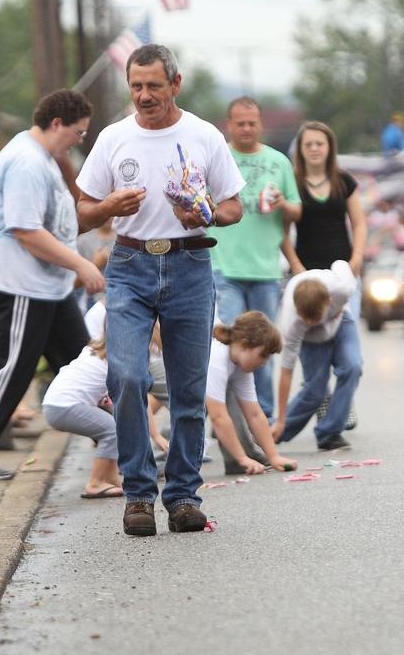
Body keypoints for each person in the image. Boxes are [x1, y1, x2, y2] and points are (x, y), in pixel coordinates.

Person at [75, 43, 245, 537]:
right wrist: (109, 206)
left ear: (175, 84)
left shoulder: (203, 135)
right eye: (136, 87)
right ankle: (138, 495)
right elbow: (83, 210)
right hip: (129, 262)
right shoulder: (113, 138)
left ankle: (184, 496)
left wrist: (206, 213)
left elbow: (234, 206)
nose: (144, 96)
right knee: (127, 377)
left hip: (189, 262)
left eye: (153, 86)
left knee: (189, 388)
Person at [0, 89, 104, 480]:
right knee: (12, 369)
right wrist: (81, 264)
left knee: (84, 362)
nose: (79, 140)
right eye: (78, 132)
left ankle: (123, 444)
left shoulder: (41, 159)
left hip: (46, 287)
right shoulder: (26, 162)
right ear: (57, 123)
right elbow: (25, 229)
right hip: (20, 282)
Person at [207, 96, 301, 419]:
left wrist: (282, 205)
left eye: (252, 123)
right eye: (240, 123)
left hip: (265, 270)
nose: (246, 128)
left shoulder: (278, 162)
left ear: (261, 124)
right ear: (228, 125)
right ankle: (225, 420)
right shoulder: (218, 158)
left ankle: (265, 417)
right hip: (223, 267)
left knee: (262, 348)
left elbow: (297, 208)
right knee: (229, 346)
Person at [283, 121, 366, 430]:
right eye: (309, 145)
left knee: (348, 350)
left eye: (320, 143)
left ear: (330, 148)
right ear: (300, 150)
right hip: (308, 281)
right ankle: (322, 399)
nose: (315, 149)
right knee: (315, 347)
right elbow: (283, 231)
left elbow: (358, 223)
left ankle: (341, 407)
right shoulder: (292, 182)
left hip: (343, 276)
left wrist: (356, 258)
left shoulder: (343, 181)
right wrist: (295, 266)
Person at [42, 303, 166, 499]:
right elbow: (139, 401)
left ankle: (111, 479)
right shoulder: (117, 362)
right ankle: (95, 482)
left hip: (54, 404)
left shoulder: (96, 349)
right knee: (112, 430)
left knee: (115, 427)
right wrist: (156, 436)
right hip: (65, 406)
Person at [271, 261, 361, 451]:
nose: (311, 322)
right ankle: (270, 432)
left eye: (315, 318)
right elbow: (286, 372)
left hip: (340, 321)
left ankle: (329, 432)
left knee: (352, 367)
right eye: (307, 319)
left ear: (329, 301)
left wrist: (356, 258)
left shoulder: (342, 289)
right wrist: (280, 419)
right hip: (310, 339)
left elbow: (340, 263)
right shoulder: (292, 323)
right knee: (315, 390)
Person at [204, 311, 296, 475]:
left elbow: (254, 414)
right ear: (245, 344)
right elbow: (218, 418)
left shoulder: (241, 365)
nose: (264, 363)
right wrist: (242, 458)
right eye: (263, 355)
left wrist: (273, 456)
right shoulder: (217, 360)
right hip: (169, 367)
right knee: (189, 410)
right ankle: (164, 460)